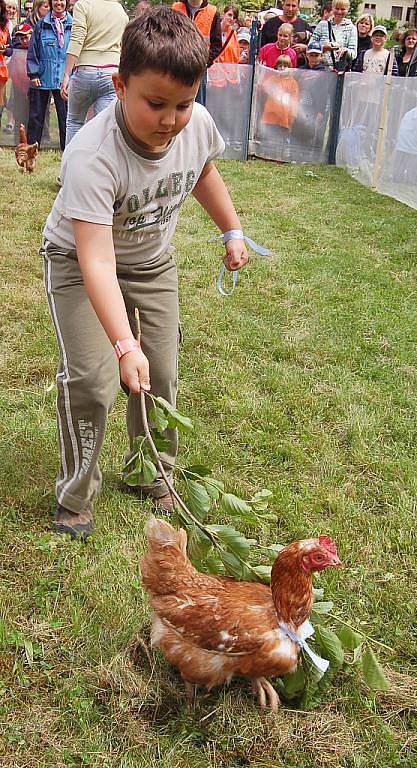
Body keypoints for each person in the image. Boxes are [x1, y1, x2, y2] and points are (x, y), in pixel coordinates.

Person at [41, 6, 248, 539]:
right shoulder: (92, 155)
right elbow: (97, 261)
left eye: (183, 103)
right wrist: (121, 345)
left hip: (153, 261)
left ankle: (148, 471)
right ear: (119, 85)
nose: (171, 120)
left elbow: (203, 171)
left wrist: (231, 229)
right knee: (95, 378)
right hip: (79, 263)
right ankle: (76, 493)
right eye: (155, 103)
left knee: (161, 369)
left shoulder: (194, 126)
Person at [60, 0, 129, 145]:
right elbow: (124, 46)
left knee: (74, 122)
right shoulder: (120, 11)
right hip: (111, 73)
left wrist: (66, 74)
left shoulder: (84, 5)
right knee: (103, 127)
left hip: (85, 70)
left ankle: (72, 165)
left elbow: (77, 39)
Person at [26, 0, 72, 150]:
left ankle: (68, 150)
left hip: (64, 79)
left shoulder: (74, 25)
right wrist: (33, 74)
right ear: (51, 3)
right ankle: (31, 149)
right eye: (56, 0)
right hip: (43, 76)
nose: (59, 3)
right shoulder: (41, 24)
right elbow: (33, 50)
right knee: (36, 117)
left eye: (62, 0)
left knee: (66, 117)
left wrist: (72, 75)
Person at [171, 0, 222, 106]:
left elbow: (217, 45)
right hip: (176, 66)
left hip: (199, 69)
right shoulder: (176, 8)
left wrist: (205, 62)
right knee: (173, 102)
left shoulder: (213, 12)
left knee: (197, 107)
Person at [260, 52, 299, 154]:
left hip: (283, 117)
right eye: (280, 65)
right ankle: (267, 154)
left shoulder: (292, 83)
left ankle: (280, 155)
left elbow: (294, 100)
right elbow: (264, 87)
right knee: (269, 137)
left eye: (285, 66)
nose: (282, 68)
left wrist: (292, 116)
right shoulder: (273, 79)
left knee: (281, 138)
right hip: (270, 116)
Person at [312, 0, 357, 71]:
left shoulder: (352, 28)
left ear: (347, 10)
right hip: (320, 68)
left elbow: (353, 54)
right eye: (337, 8)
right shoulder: (322, 24)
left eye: (342, 9)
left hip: (339, 70)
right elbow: (311, 46)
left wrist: (345, 51)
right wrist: (324, 48)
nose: (339, 12)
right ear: (332, 8)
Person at [7, 20, 32, 141]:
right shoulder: (16, 52)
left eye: (26, 37)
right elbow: (13, 71)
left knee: (32, 115)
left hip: (33, 88)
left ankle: (33, 139)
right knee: (19, 115)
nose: (24, 41)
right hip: (19, 89)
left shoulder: (35, 51)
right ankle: (18, 139)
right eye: (21, 38)